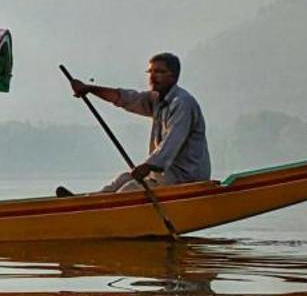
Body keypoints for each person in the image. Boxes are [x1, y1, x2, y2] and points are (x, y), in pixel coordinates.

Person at [62, 53, 210, 195]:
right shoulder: (156, 99)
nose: (152, 76)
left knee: (130, 188)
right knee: (123, 179)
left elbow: (172, 142)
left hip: (186, 177)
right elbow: (126, 98)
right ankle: (86, 203)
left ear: (173, 76)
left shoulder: (182, 103)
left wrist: (148, 165)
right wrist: (89, 89)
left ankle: (96, 212)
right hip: (164, 175)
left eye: (159, 71)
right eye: (150, 71)